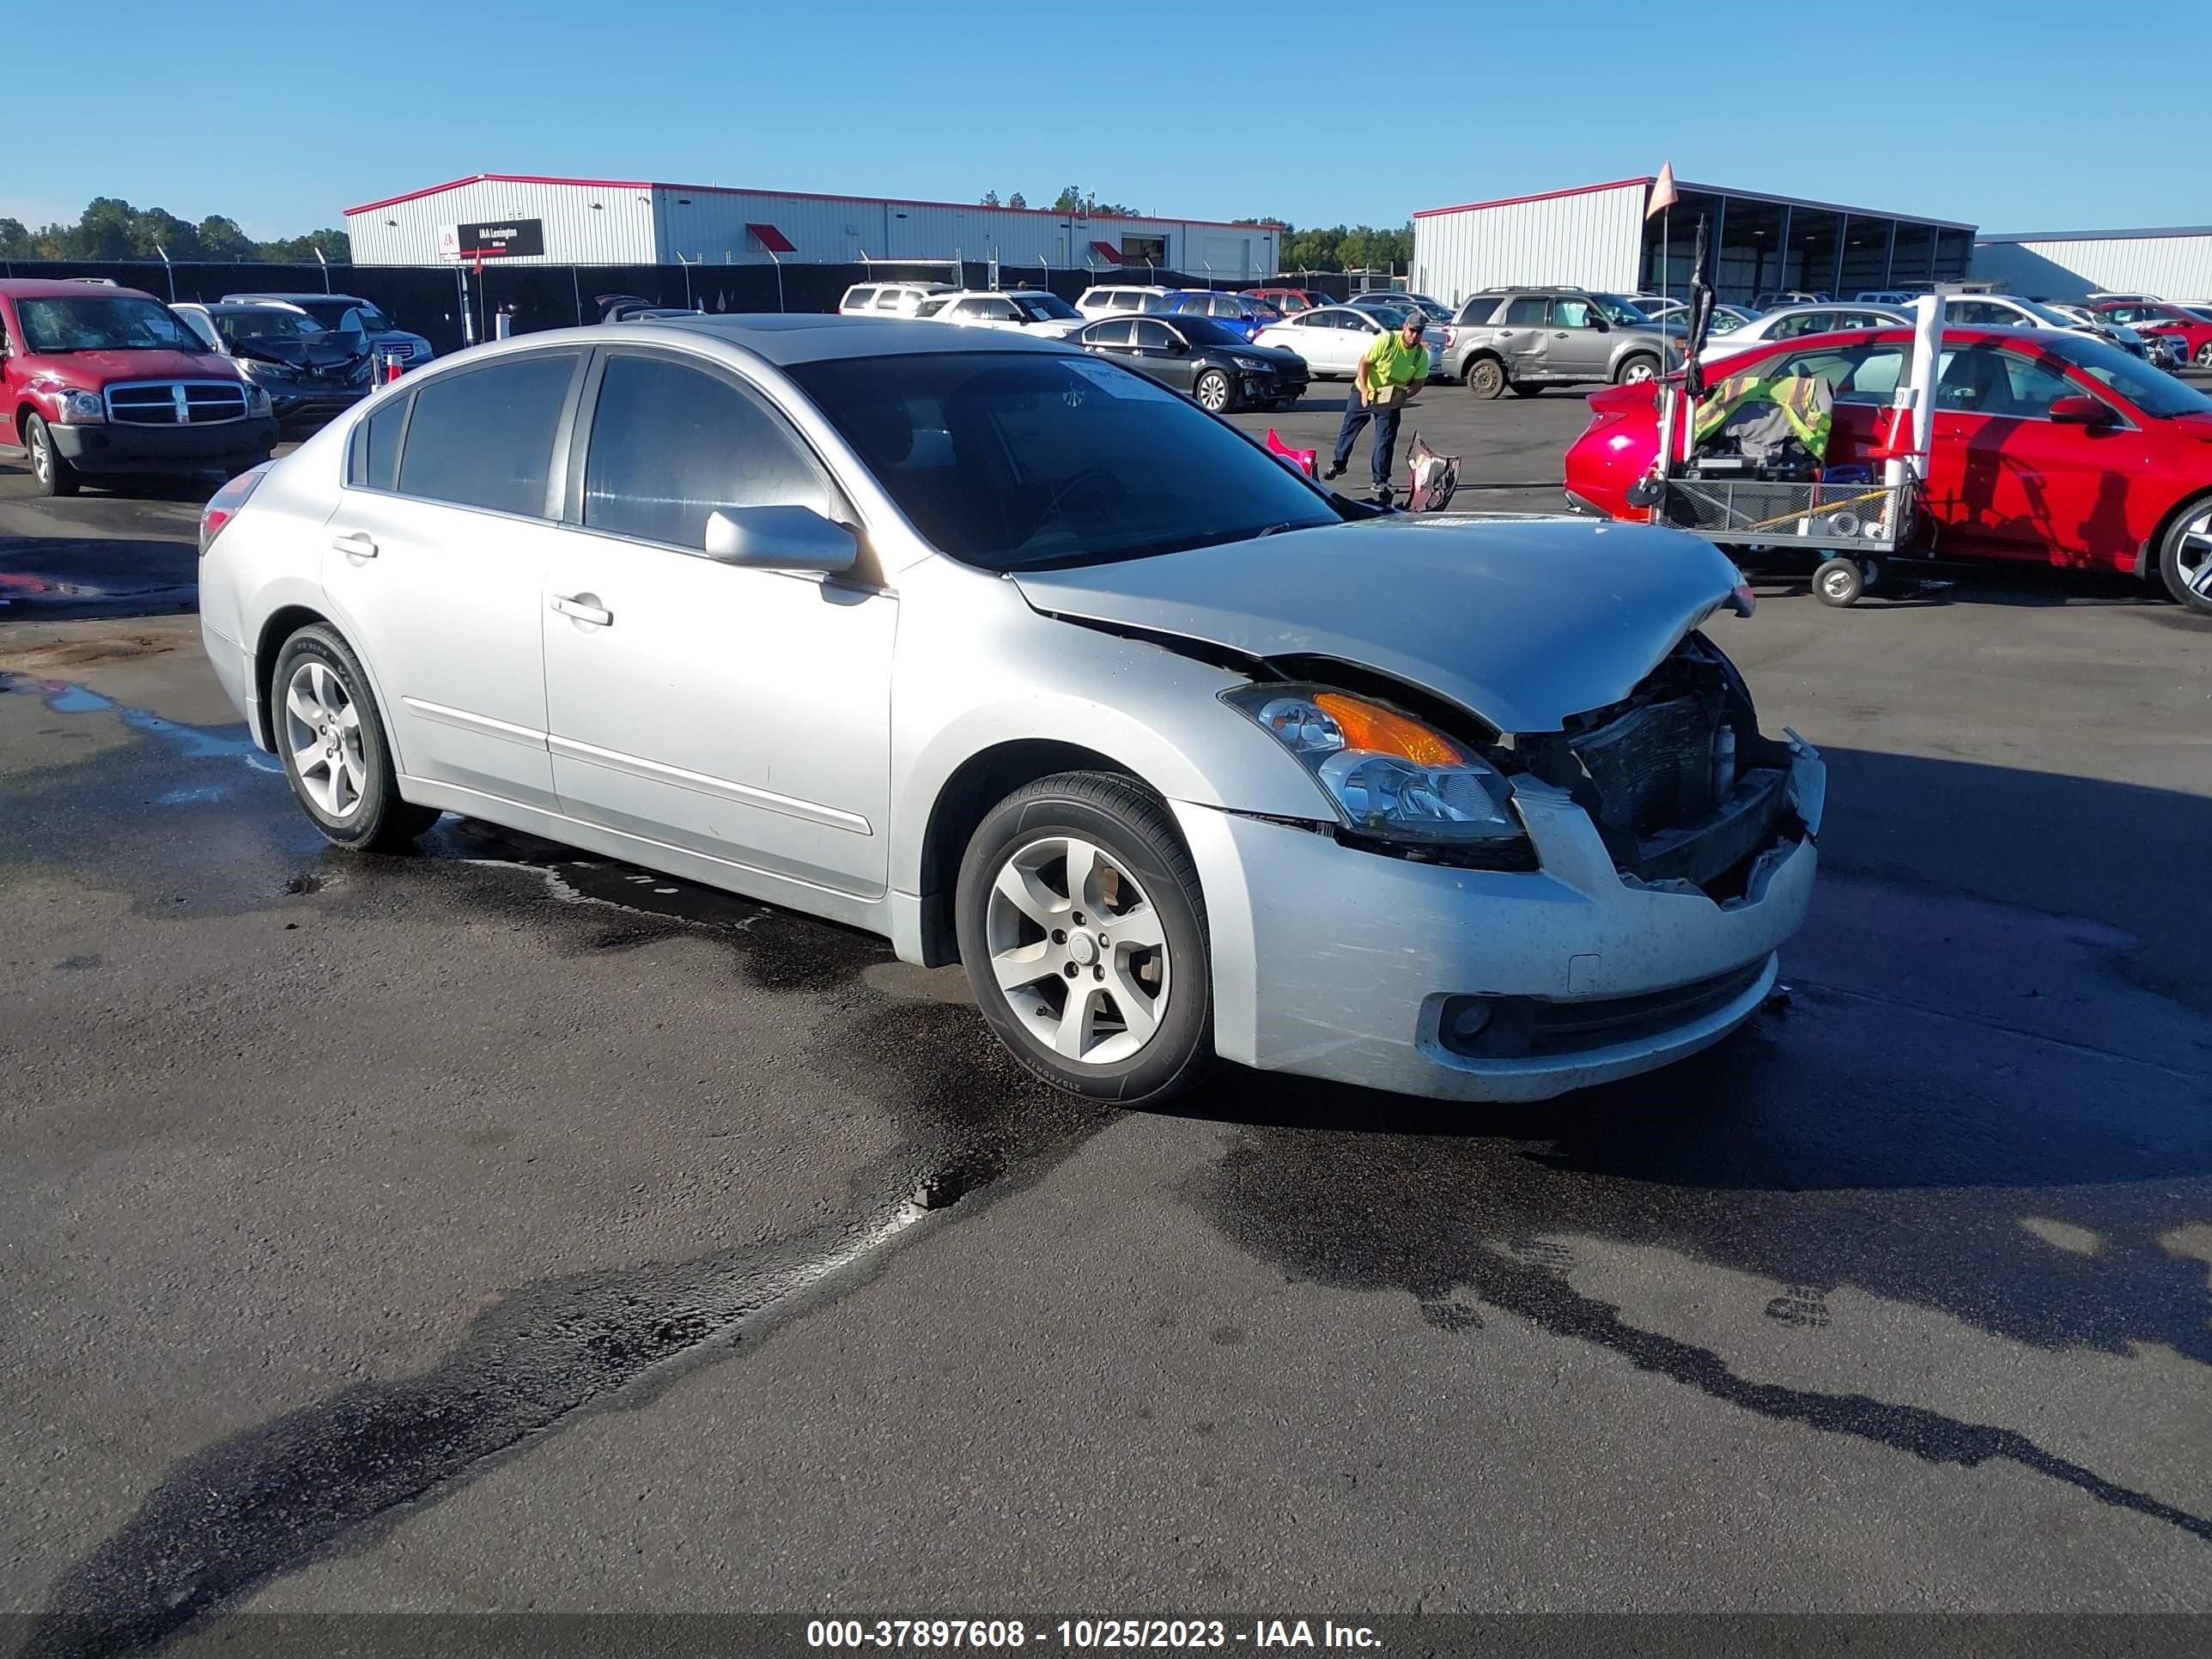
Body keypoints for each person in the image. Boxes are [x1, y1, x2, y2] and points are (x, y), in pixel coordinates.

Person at [1324, 311, 1429, 504]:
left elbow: (1418, 383)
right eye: (1412, 330)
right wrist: (1364, 390)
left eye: (1419, 332)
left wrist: (1403, 396)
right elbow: (1364, 363)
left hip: (1389, 399)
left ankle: (1380, 480)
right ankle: (1338, 464)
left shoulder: (1420, 356)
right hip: (1365, 391)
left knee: (1385, 439)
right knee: (1349, 429)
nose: (1414, 336)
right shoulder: (1387, 341)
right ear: (1405, 327)